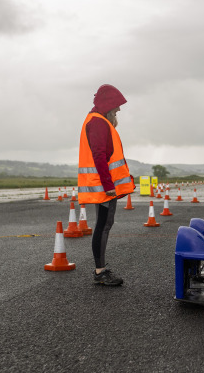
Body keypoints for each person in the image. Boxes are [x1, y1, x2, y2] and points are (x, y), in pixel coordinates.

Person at [78, 84, 135, 286]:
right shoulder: (99, 122)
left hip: (104, 184)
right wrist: (108, 184)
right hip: (103, 186)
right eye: (117, 105)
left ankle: (100, 269)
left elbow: (108, 156)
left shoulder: (98, 120)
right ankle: (100, 271)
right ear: (109, 105)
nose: (119, 109)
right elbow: (99, 156)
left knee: (104, 225)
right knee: (103, 225)